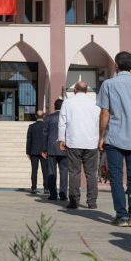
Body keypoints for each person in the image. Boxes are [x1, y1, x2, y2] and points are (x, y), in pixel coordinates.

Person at [98, 52, 131, 227]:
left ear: (116, 65)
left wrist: (101, 136)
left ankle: (121, 215)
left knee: (116, 177)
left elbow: (105, 113)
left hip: (115, 138)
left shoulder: (108, 84)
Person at [57, 81, 101, 210]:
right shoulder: (95, 103)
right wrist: (101, 138)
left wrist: (61, 139)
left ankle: (74, 201)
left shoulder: (68, 102)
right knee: (91, 173)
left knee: (74, 172)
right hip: (91, 142)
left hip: (73, 141)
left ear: (75, 90)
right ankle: (92, 202)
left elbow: (62, 122)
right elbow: (101, 121)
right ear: (87, 91)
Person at [42, 100, 67, 201]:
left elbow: (44, 134)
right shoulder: (67, 117)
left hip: (51, 148)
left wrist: (44, 149)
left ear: (54, 106)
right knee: (64, 172)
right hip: (64, 147)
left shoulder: (48, 118)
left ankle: (53, 194)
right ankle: (63, 194)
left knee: (51, 172)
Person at [26, 109, 47, 194]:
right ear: (44, 116)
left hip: (33, 151)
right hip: (44, 151)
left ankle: (33, 188)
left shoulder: (31, 126)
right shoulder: (46, 125)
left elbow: (29, 140)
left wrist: (28, 152)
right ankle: (46, 188)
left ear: (35, 116)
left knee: (34, 170)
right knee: (45, 170)